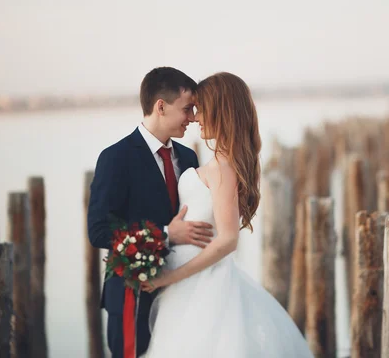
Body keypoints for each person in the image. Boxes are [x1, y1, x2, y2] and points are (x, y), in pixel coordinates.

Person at [140, 72, 314, 358]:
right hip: (190, 279)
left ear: (222, 111)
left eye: (201, 109)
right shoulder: (218, 163)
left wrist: (169, 278)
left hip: (200, 284)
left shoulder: (222, 168)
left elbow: (228, 240)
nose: (195, 118)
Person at [87, 67, 215, 358]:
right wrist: (168, 233)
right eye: (187, 108)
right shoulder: (115, 158)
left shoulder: (189, 157)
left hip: (183, 292)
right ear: (161, 106)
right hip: (134, 292)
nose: (194, 117)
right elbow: (98, 230)